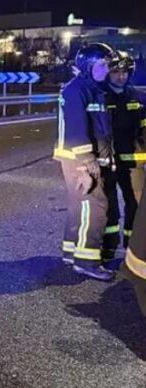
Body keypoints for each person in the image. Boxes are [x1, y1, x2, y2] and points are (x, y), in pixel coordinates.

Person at [55, 43, 116, 281]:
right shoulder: (77, 90)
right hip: (79, 159)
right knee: (95, 207)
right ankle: (86, 261)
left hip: (85, 158)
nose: (106, 70)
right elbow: (76, 130)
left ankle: (72, 252)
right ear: (88, 65)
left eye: (108, 65)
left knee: (80, 206)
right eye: (102, 65)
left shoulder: (93, 88)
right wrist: (86, 164)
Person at [103, 50, 144, 257]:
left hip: (133, 161)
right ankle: (109, 247)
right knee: (109, 205)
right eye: (116, 72)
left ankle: (132, 248)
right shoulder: (100, 96)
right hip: (108, 162)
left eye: (124, 72)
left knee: (136, 203)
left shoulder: (139, 97)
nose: (121, 76)